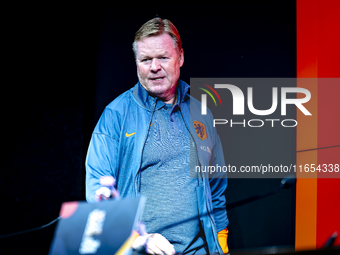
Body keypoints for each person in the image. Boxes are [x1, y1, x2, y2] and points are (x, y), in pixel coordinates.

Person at [86, 17, 229, 255]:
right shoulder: (116, 114)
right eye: (145, 60)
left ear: (180, 57)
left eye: (163, 57)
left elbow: (216, 188)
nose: (154, 67)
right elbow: (97, 189)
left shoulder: (201, 114)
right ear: (137, 63)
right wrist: (138, 238)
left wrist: (221, 247)